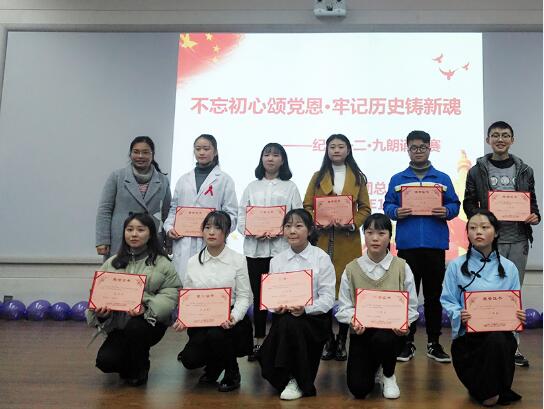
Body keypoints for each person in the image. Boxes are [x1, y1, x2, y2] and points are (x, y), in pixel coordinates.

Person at [463, 121, 540, 367]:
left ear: (512, 140)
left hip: (518, 240)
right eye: (495, 135)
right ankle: (482, 344)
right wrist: (483, 220)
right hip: (487, 242)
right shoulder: (476, 170)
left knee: (512, 294)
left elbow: (533, 204)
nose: (500, 139)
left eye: (505, 135)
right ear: (488, 140)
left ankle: (512, 347)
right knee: (483, 292)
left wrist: (535, 216)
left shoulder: (525, 170)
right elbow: (468, 202)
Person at [383, 130, 460, 363]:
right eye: (414, 147)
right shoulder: (398, 179)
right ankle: (407, 342)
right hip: (408, 245)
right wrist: (396, 212)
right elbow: (387, 205)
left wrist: (446, 211)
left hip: (435, 245)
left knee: (434, 297)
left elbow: (455, 204)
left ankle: (434, 343)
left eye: (422, 147)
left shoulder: (442, 178)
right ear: (407, 149)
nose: (418, 151)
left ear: (429, 148)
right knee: (408, 296)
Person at [440, 209, 526, 406]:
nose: (478, 232)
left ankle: (491, 390)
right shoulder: (455, 266)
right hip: (469, 337)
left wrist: (518, 316)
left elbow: (514, 303)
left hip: (500, 336)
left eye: (484, 227)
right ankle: (489, 390)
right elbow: (448, 300)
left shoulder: (509, 267)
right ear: (467, 233)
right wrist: (459, 314)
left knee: (497, 339)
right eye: (472, 228)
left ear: (496, 233)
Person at [86, 213, 181, 386]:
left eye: (140, 230)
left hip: (149, 323)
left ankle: (141, 366)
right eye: (129, 230)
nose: (134, 234)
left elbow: (171, 292)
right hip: (119, 325)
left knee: (136, 328)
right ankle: (130, 364)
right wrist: (101, 314)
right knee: (105, 362)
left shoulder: (162, 263)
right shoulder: (112, 262)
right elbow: (97, 293)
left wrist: (147, 308)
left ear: (150, 234)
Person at [303, 134, 371, 361]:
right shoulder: (317, 176)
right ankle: (327, 340)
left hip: (347, 240)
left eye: (341, 146)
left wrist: (352, 223)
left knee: (345, 291)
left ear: (348, 150)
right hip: (322, 239)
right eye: (332, 146)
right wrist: (317, 221)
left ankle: (342, 339)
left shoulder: (358, 177)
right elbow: (307, 206)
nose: (336, 150)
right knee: (320, 289)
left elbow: (365, 209)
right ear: (327, 150)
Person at [336, 213, 418, 400]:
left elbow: (412, 306)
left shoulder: (402, 267)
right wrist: (353, 319)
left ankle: (388, 374)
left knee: (384, 339)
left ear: (390, 236)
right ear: (364, 235)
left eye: (381, 233)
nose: (375, 238)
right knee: (358, 389)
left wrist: (404, 322)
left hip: (391, 334)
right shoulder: (351, 269)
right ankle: (374, 365)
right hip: (362, 333)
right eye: (370, 232)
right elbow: (344, 307)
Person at [258, 208, 335, 400]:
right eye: (288, 226)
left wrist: (306, 309)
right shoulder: (277, 261)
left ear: (309, 230)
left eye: (299, 226)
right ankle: (290, 378)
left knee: (290, 324)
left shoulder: (322, 258)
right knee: (286, 323)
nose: (292, 231)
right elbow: (271, 296)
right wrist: (275, 307)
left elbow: (328, 298)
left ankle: (296, 380)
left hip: (313, 319)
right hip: (285, 317)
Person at [174, 211, 253, 392]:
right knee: (189, 360)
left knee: (217, 335)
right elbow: (188, 296)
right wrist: (183, 318)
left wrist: (234, 317)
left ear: (226, 232)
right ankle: (215, 365)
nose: (211, 232)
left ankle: (232, 371)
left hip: (230, 320)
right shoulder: (193, 262)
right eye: (207, 227)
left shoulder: (238, 260)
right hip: (202, 320)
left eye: (217, 228)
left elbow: (244, 297)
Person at [238, 143, 303, 361]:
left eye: (276, 155)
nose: (271, 158)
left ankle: (276, 342)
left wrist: (282, 230)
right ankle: (258, 341)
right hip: (255, 250)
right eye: (267, 154)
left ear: (282, 160)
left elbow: (297, 217)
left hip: (281, 250)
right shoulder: (251, 187)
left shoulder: (290, 187)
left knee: (279, 296)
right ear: (261, 159)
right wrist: (250, 230)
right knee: (259, 296)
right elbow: (241, 217)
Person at [164, 134, 238, 282]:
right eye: (198, 149)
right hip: (183, 242)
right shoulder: (183, 179)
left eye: (206, 148)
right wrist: (169, 227)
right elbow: (174, 209)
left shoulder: (224, 180)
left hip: (211, 242)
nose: (201, 152)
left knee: (208, 284)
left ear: (215, 152)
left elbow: (231, 214)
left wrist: (217, 229)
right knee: (183, 284)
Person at [96, 136, 171, 257]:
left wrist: (168, 243)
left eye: (145, 152)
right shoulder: (117, 177)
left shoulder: (163, 180)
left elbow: (167, 214)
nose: (140, 156)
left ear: (152, 155)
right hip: (121, 239)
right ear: (130, 154)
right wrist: (102, 240)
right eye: (136, 152)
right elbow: (105, 210)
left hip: (151, 240)